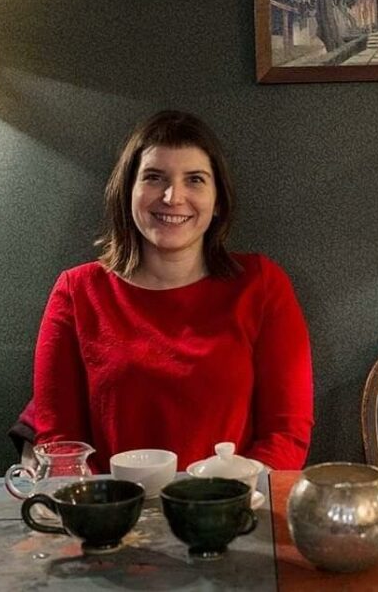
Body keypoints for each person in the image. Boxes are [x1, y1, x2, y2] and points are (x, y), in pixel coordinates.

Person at [20, 110, 313, 473]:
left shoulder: (262, 284)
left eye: (195, 180)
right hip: (112, 515)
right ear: (128, 191)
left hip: (228, 512)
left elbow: (286, 432)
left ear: (218, 200)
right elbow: (59, 441)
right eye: (155, 178)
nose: (173, 197)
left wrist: (227, 500)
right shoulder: (77, 292)